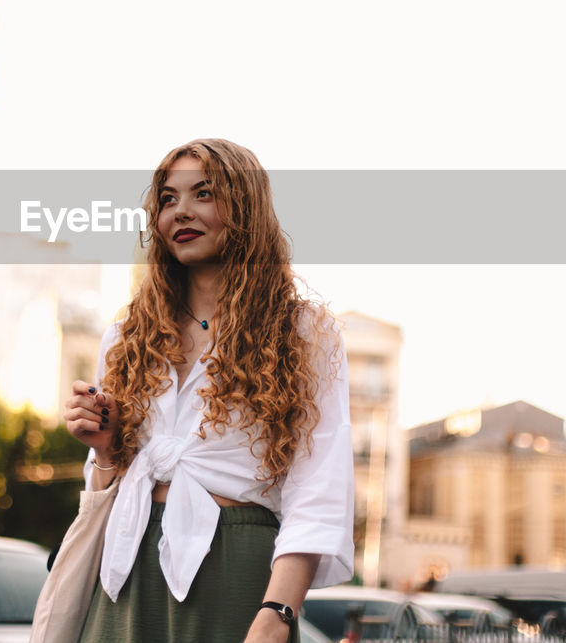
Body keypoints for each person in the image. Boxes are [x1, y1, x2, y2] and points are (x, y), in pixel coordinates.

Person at [63, 139, 354, 643]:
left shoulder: (304, 331)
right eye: (168, 199)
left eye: (203, 193)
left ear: (245, 208)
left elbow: (318, 488)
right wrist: (106, 450)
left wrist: (278, 611)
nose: (182, 211)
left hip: (236, 570)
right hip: (127, 563)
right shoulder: (126, 334)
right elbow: (104, 484)